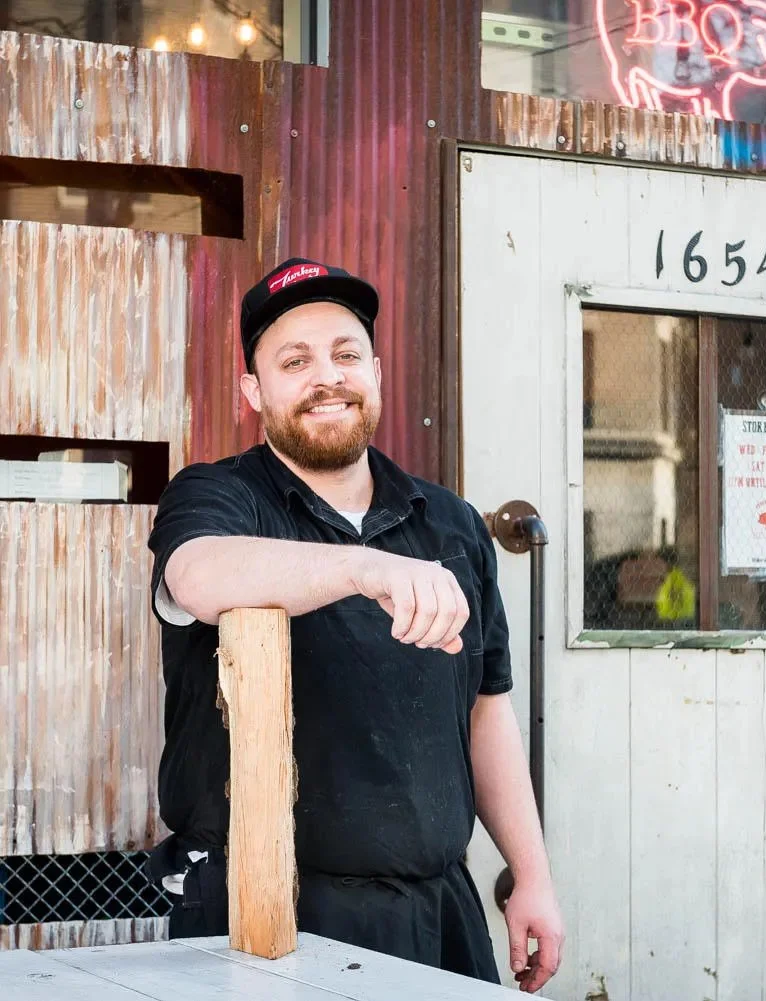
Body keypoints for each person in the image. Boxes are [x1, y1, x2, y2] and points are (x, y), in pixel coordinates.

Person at [145, 257, 564, 992]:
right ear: (255, 389)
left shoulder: (452, 523)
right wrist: (364, 568)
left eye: (345, 354)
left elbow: (485, 710)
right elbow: (198, 575)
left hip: (438, 911)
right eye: (294, 360)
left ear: (375, 370)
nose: (325, 377)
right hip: (265, 916)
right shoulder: (218, 497)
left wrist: (530, 873)